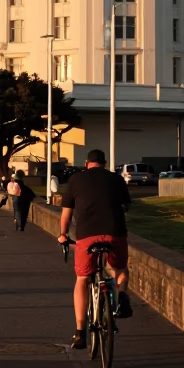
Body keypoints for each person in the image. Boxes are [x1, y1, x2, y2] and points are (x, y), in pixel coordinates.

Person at [57, 148, 133, 350]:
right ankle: (122, 296)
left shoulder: (76, 180)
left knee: (82, 278)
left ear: (86, 163)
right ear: (105, 163)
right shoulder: (116, 179)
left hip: (87, 235)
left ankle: (80, 331)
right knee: (121, 269)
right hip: (114, 232)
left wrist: (63, 235)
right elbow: (126, 205)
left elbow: (66, 215)